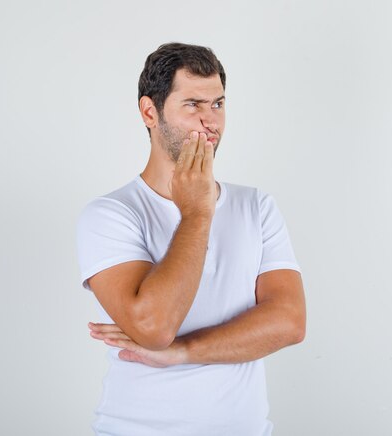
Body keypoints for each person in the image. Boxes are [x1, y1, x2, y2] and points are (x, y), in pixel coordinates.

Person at [76, 42, 306, 436]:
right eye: (193, 105)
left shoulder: (257, 206)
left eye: (217, 104)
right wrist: (197, 213)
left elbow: (289, 322)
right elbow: (154, 328)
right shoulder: (111, 214)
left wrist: (183, 351)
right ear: (150, 112)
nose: (210, 121)